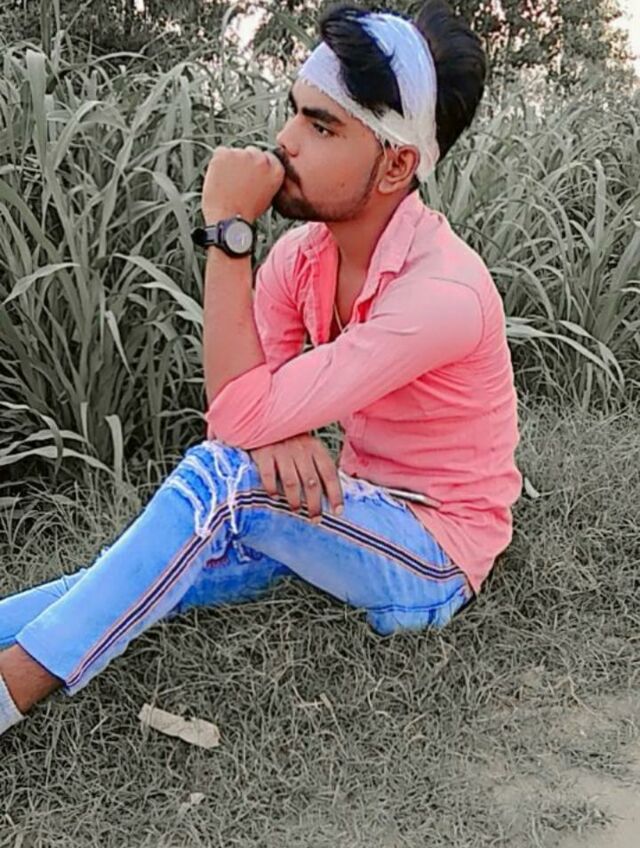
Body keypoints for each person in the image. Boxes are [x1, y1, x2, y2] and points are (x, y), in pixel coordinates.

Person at [0, 0, 522, 738]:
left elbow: (237, 421)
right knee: (169, 551)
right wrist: (277, 427)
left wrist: (229, 233)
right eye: (293, 112)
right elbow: (246, 405)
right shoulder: (303, 258)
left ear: (397, 164)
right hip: (351, 506)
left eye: (322, 126)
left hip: (431, 555)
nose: (284, 142)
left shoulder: (441, 294)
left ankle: (14, 687)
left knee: (221, 484)